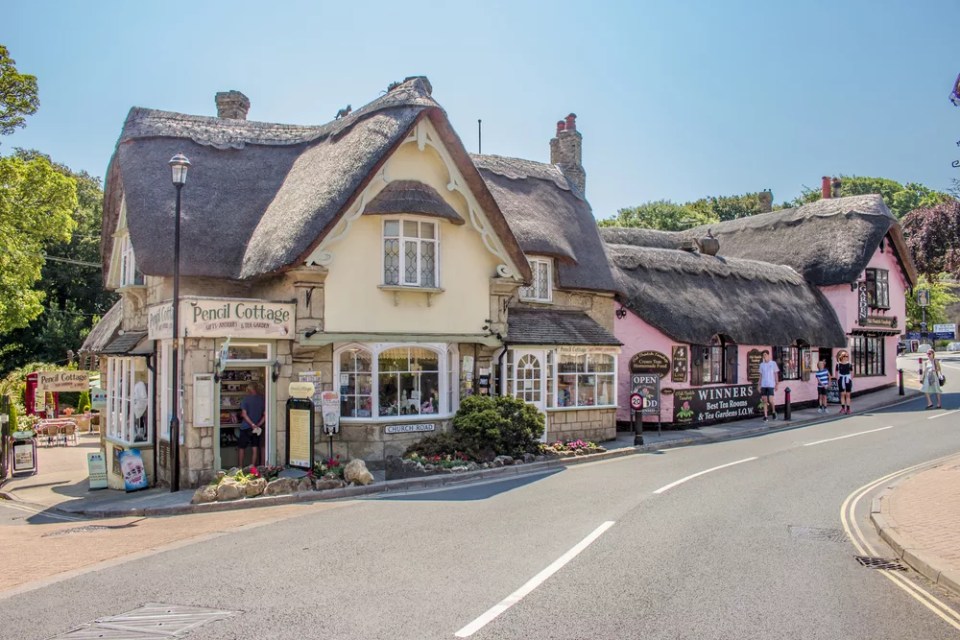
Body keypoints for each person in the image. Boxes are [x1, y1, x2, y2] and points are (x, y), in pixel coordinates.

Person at [238, 382, 265, 468]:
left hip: (246, 427)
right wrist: (257, 425)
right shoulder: (262, 399)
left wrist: (252, 424)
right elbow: (265, 415)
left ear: (249, 389)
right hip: (257, 428)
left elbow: (244, 414)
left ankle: (240, 468)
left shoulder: (245, 399)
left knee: (241, 448)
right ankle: (253, 468)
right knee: (255, 448)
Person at [758, 350, 780, 421]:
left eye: (765, 355)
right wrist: (759, 385)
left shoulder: (773, 363)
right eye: (763, 355)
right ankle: (765, 416)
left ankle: (773, 412)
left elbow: (776, 374)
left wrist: (777, 384)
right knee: (764, 400)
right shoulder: (761, 365)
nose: (764, 356)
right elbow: (760, 376)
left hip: (771, 384)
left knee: (770, 400)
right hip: (764, 384)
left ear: (768, 355)